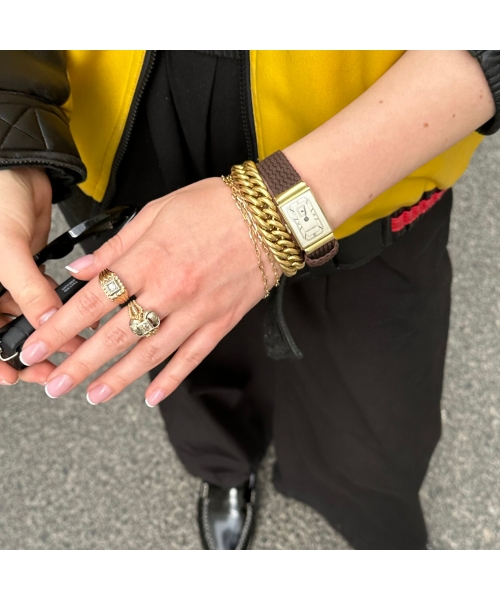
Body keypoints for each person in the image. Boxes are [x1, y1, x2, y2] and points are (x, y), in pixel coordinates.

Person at [0, 50, 498, 550]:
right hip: (122, 129)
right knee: (187, 363)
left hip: (367, 146)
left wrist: (269, 211)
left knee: (375, 413)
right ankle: (224, 466)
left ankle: (365, 512)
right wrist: (10, 131)